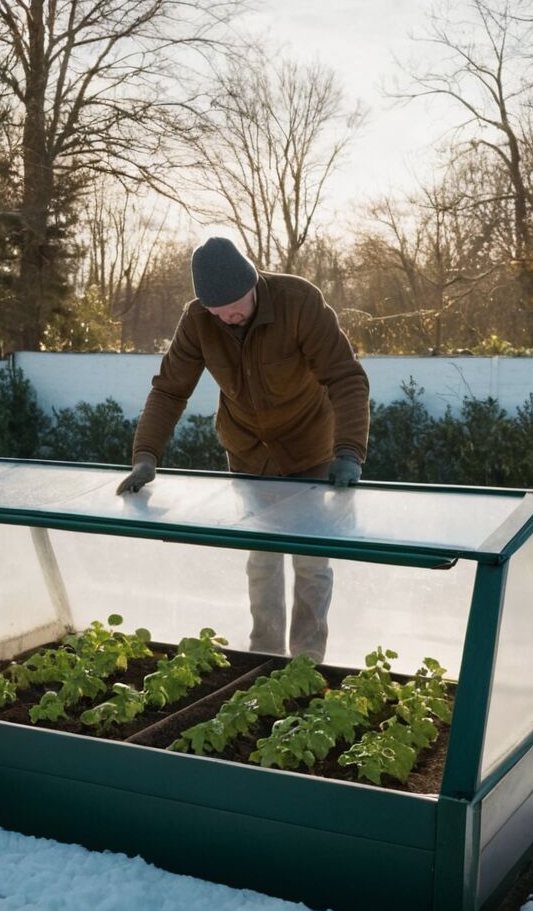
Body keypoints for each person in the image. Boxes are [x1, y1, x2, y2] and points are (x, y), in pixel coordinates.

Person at [116, 236, 370, 663]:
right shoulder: (198, 320)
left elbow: (346, 377)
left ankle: (307, 662)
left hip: (310, 449)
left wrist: (348, 452)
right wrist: (146, 456)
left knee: (311, 564)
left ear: (253, 283)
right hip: (249, 455)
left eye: (235, 306)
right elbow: (169, 390)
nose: (228, 317)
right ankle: (264, 657)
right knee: (262, 560)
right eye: (218, 311)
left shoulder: (298, 301)